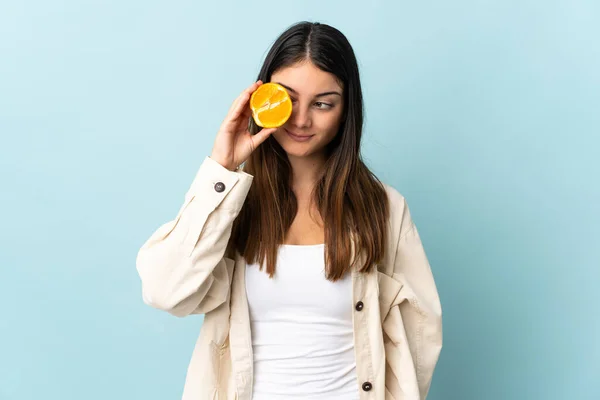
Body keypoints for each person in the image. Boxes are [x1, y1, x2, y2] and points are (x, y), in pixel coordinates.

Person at [136, 21, 442, 400]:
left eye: (323, 103)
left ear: (346, 110)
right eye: (288, 99)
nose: (301, 120)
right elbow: (166, 291)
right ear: (262, 98)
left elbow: (419, 334)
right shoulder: (230, 202)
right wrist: (221, 169)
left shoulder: (384, 208)